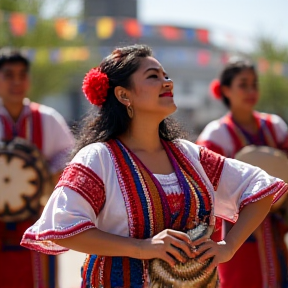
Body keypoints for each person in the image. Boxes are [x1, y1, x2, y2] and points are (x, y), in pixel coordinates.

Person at [21, 45, 287, 288]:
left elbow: (261, 187)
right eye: (153, 76)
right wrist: (141, 247)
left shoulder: (189, 155)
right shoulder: (99, 158)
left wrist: (228, 247)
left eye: (166, 75)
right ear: (124, 95)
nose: (167, 82)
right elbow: (62, 228)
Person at [197, 59, 288, 288]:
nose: (251, 91)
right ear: (226, 90)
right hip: (237, 231)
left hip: (277, 224)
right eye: (243, 84)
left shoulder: (274, 126)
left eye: (254, 84)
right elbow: (206, 187)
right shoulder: (216, 135)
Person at [0, 50, 74, 288]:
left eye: (22, 75)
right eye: (9, 75)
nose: (17, 82)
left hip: (37, 221)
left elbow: (70, 156)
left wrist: (48, 177)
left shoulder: (46, 118)